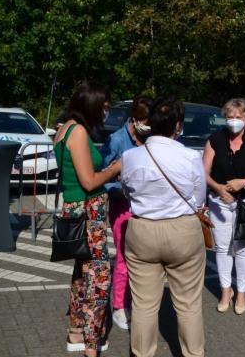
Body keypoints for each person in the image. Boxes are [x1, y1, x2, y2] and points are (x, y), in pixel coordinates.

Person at [121, 98, 207, 357]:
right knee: (189, 304)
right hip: (183, 230)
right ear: (178, 126)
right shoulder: (191, 156)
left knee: (144, 305)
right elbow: (199, 198)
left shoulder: (130, 156)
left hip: (143, 229)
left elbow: (127, 193)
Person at [53, 81, 122, 356]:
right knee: (99, 277)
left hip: (75, 209)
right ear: (92, 105)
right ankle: (92, 343)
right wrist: (115, 168)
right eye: (104, 107)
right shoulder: (78, 132)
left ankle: (76, 332)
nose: (106, 112)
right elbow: (89, 180)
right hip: (88, 212)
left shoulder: (64, 129)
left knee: (82, 275)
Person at [203, 98, 245, 315]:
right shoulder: (215, 139)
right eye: (230, 117)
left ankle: (242, 292)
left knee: (242, 248)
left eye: (238, 117)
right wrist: (219, 189)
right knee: (222, 248)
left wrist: (244, 182)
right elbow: (203, 172)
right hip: (219, 200)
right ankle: (225, 290)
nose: (233, 121)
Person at [99, 96, 153, 331]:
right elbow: (102, 175)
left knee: (142, 259)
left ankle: (137, 302)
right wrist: (118, 186)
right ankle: (119, 306)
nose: (147, 127)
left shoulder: (150, 138)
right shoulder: (118, 139)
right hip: (122, 205)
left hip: (145, 206)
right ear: (134, 119)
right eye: (144, 121)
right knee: (123, 256)